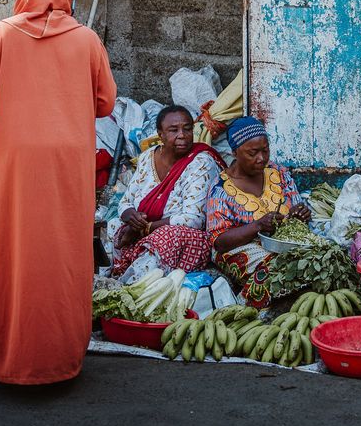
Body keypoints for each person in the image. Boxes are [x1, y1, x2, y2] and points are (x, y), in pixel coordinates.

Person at [0, 0, 116, 385]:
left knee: (12, 246)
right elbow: (105, 102)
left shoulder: (2, 35)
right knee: (63, 249)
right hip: (68, 163)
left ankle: (11, 357)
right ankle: (59, 358)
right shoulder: (86, 40)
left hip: (13, 160)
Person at [204, 117, 309, 308]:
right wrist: (257, 226)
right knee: (277, 267)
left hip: (283, 243)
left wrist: (299, 214)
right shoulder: (220, 190)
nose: (261, 158)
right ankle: (246, 311)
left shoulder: (278, 173)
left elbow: (297, 205)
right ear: (235, 152)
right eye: (253, 153)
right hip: (239, 246)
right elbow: (218, 241)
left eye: (265, 150)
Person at [112, 105, 224, 277]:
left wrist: (144, 228)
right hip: (143, 230)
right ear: (160, 134)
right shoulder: (148, 156)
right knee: (113, 225)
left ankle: (133, 284)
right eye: (173, 130)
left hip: (183, 238)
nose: (182, 135)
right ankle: (108, 274)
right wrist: (130, 215)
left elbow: (193, 219)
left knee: (165, 236)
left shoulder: (201, 162)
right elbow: (126, 200)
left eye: (187, 129)